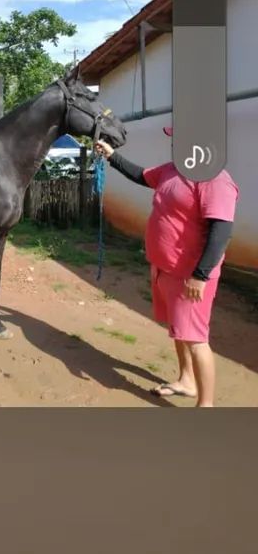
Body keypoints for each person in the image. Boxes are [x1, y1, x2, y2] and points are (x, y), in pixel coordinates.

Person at [94, 125, 239, 407]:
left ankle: (206, 407)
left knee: (196, 339)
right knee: (178, 330)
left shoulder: (214, 179)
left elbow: (221, 231)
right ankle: (187, 381)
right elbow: (141, 175)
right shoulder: (172, 170)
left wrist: (200, 275)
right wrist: (111, 156)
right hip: (165, 268)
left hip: (190, 277)